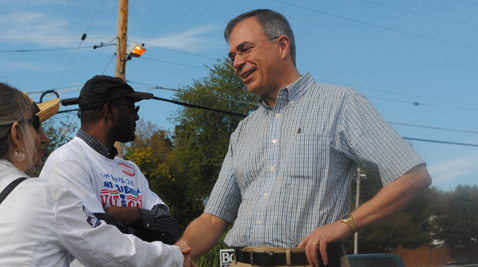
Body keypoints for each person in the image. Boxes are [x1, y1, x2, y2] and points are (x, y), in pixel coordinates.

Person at [175, 9, 432, 267]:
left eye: (245, 49)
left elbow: (413, 176)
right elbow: (212, 219)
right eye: (233, 55)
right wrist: (174, 254)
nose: (236, 62)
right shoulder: (243, 131)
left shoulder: (340, 104)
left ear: (282, 46)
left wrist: (345, 225)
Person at [0, 82, 194, 267]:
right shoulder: (46, 194)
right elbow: (108, 247)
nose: (44, 138)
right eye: (35, 124)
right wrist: (175, 258)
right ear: (17, 134)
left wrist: (131, 215)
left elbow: (169, 227)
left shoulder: (130, 168)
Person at [40, 75, 181, 246]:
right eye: (132, 108)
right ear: (109, 111)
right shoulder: (67, 161)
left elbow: (172, 229)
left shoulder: (131, 169)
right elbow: (98, 239)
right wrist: (151, 237)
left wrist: (135, 214)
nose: (136, 117)